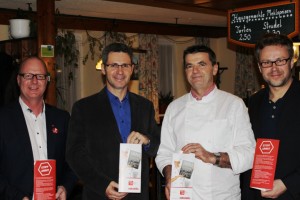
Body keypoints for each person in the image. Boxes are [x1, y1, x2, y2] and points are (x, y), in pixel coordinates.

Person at [155, 44, 256, 199]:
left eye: (201, 64)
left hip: (222, 196)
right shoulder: (174, 108)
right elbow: (164, 153)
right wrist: (170, 177)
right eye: (190, 66)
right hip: (183, 196)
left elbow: (249, 154)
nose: (195, 71)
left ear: (215, 69)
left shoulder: (233, 104)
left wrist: (213, 157)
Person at [66, 42, 160, 199]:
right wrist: (102, 184)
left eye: (125, 65)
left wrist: (147, 140)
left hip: (137, 195)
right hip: (99, 194)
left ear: (132, 69)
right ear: (103, 69)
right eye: (114, 65)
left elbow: (156, 146)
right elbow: (74, 154)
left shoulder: (145, 106)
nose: (120, 71)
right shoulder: (83, 108)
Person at [0, 56, 77, 199]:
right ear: (18, 80)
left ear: (47, 81)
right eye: (28, 75)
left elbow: (72, 161)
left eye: (40, 76)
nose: (34, 81)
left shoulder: (62, 118)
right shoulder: (3, 119)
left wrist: (65, 187)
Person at [241, 33, 300, 200]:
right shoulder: (254, 102)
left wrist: (288, 183)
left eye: (280, 60)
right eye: (266, 63)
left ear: (292, 61)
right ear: (259, 67)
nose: (274, 68)